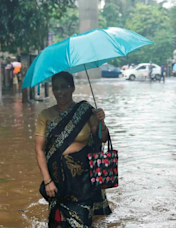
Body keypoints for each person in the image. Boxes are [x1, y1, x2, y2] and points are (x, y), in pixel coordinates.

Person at [34, 72, 112, 227]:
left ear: (73, 88)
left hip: (82, 179)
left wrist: (101, 122)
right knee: (58, 222)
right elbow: (39, 150)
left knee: (82, 221)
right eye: (56, 88)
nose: (60, 91)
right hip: (57, 180)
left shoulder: (85, 111)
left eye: (64, 86)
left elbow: (101, 138)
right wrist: (47, 180)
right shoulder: (45, 115)